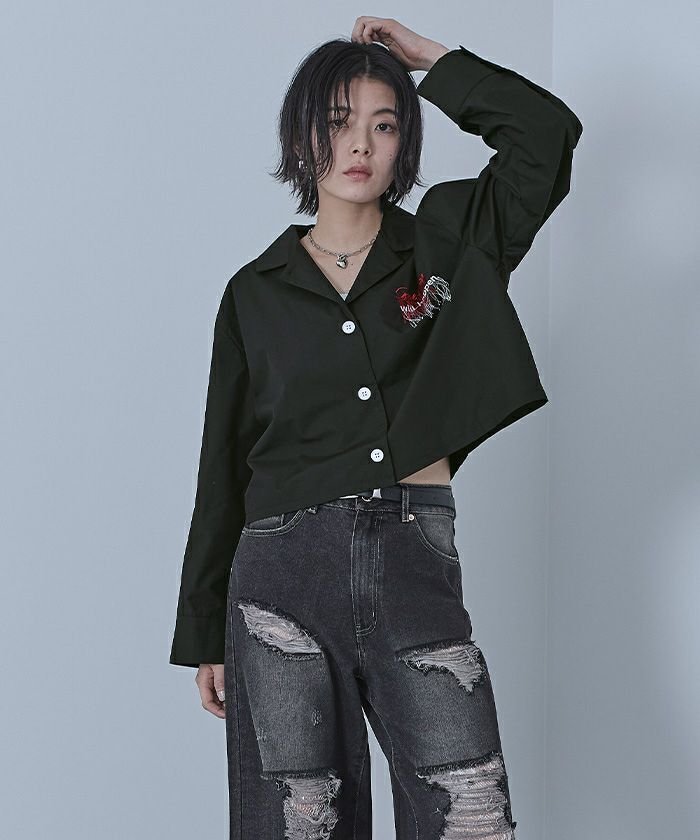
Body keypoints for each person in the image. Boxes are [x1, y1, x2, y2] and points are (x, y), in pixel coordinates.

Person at [169, 15, 582, 839]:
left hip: (412, 560)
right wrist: (206, 628)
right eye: (338, 121)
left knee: (470, 818)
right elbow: (223, 465)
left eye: (384, 125)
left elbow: (546, 137)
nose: (360, 143)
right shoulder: (254, 292)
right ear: (302, 136)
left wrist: (432, 61)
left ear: (404, 144)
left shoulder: (450, 244)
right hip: (279, 579)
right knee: (298, 825)